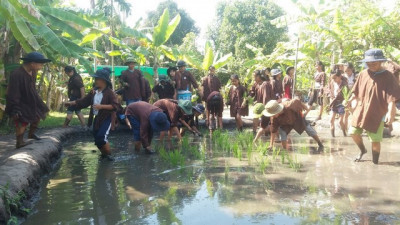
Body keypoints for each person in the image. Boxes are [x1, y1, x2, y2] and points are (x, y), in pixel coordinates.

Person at [347, 49, 400, 164]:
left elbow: (392, 96)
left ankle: (375, 162)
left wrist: (391, 111)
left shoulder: (388, 76)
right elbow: (356, 90)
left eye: (374, 63)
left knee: (375, 140)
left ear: (381, 62)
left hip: (378, 110)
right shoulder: (363, 74)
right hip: (362, 109)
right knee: (353, 132)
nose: (371, 66)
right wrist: (351, 99)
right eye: (368, 64)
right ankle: (362, 150)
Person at [65, 68, 119, 161]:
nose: (95, 81)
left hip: (107, 118)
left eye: (97, 79)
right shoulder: (94, 92)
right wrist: (72, 103)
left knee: (101, 137)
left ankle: (109, 156)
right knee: (96, 138)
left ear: (104, 81)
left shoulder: (110, 93)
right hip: (97, 118)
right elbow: (84, 101)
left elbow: (115, 106)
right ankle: (104, 155)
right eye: (95, 79)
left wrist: (101, 106)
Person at [5, 52, 51, 148]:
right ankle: (19, 142)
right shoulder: (17, 74)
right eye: (40, 64)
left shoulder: (33, 72)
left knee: (38, 115)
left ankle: (31, 134)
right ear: (32, 64)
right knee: (22, 121)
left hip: (31, 98)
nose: (42, 66)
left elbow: (31, 87)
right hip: (20, 101)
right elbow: (13, 92)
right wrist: (15, 108)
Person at [329, 69, 348, 137]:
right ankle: (333, 137)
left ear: (340, 76)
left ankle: (344, 133)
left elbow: (347, 94)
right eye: (332, 78)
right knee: (331, 120)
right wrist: (331, 99)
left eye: (335, 78)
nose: (333, 79)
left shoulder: (344, 84)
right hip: (333, 103)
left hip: (341, 103)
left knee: (340, 121)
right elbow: (330, 92)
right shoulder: (332, 83)